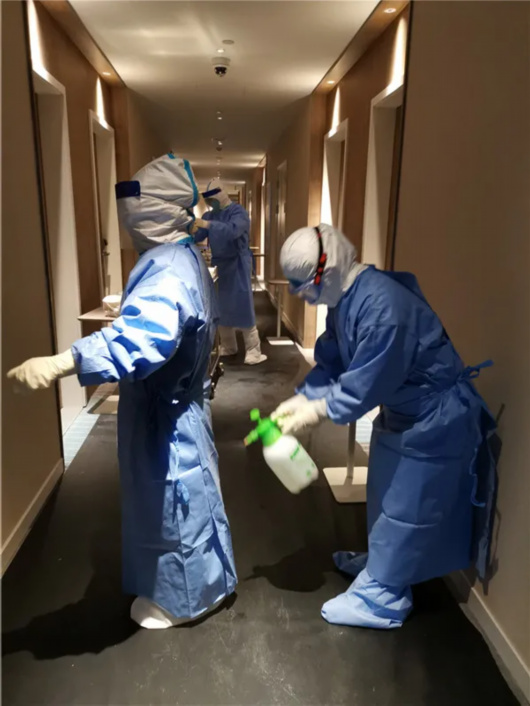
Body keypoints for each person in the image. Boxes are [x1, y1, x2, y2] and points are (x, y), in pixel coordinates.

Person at [8, 154, 237, 630]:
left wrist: (64, 362)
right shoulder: (179, 255)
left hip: (166, 416)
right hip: (174, 407)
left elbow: (143, 336)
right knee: (185, 498)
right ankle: (201, 584)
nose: (129, 219)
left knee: (175, 503)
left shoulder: (168, 269)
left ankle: (183, 599)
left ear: (158, 210)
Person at [272, 224, 497, 630]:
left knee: (407, 507)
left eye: (304, 285)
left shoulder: (383, 309)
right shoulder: (346, 299)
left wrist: (318, 410)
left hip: (433, 418)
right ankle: (381, 565)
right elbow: (335, 358)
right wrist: (306, 396)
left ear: (328, 268)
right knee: (385, 494)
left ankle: (383, 596)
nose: (300, 294)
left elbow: (365, 384)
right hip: (403, 413)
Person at [194, 179, 267, 365]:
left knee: (242, 305)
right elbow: (198, 235)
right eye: (208, 201)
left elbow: (232, 231)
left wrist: (207, 225)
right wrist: (188, 227)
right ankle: (228, 345)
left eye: (213, 199)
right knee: (221, 307)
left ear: (221, 194)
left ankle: (254, 350)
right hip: (220, 265)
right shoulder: (210, 215)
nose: (211, 204)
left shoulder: (238, 212)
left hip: (238, 264)